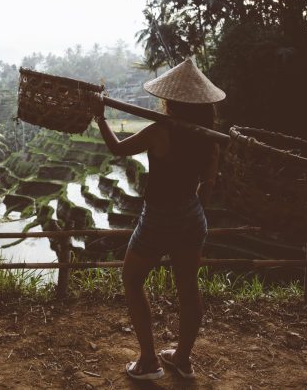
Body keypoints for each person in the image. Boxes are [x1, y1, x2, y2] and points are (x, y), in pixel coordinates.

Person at [93, 59, 225, 381]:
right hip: (192, 216)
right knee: (188, 288)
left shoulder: (160, 130)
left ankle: (149, 360)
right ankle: (182, 359)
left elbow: (117, 148)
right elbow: (208, 184)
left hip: (158, 217)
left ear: (171, 100)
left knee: (132, 279)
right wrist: (195, 211)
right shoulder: (209, 138)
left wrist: (100, 117)